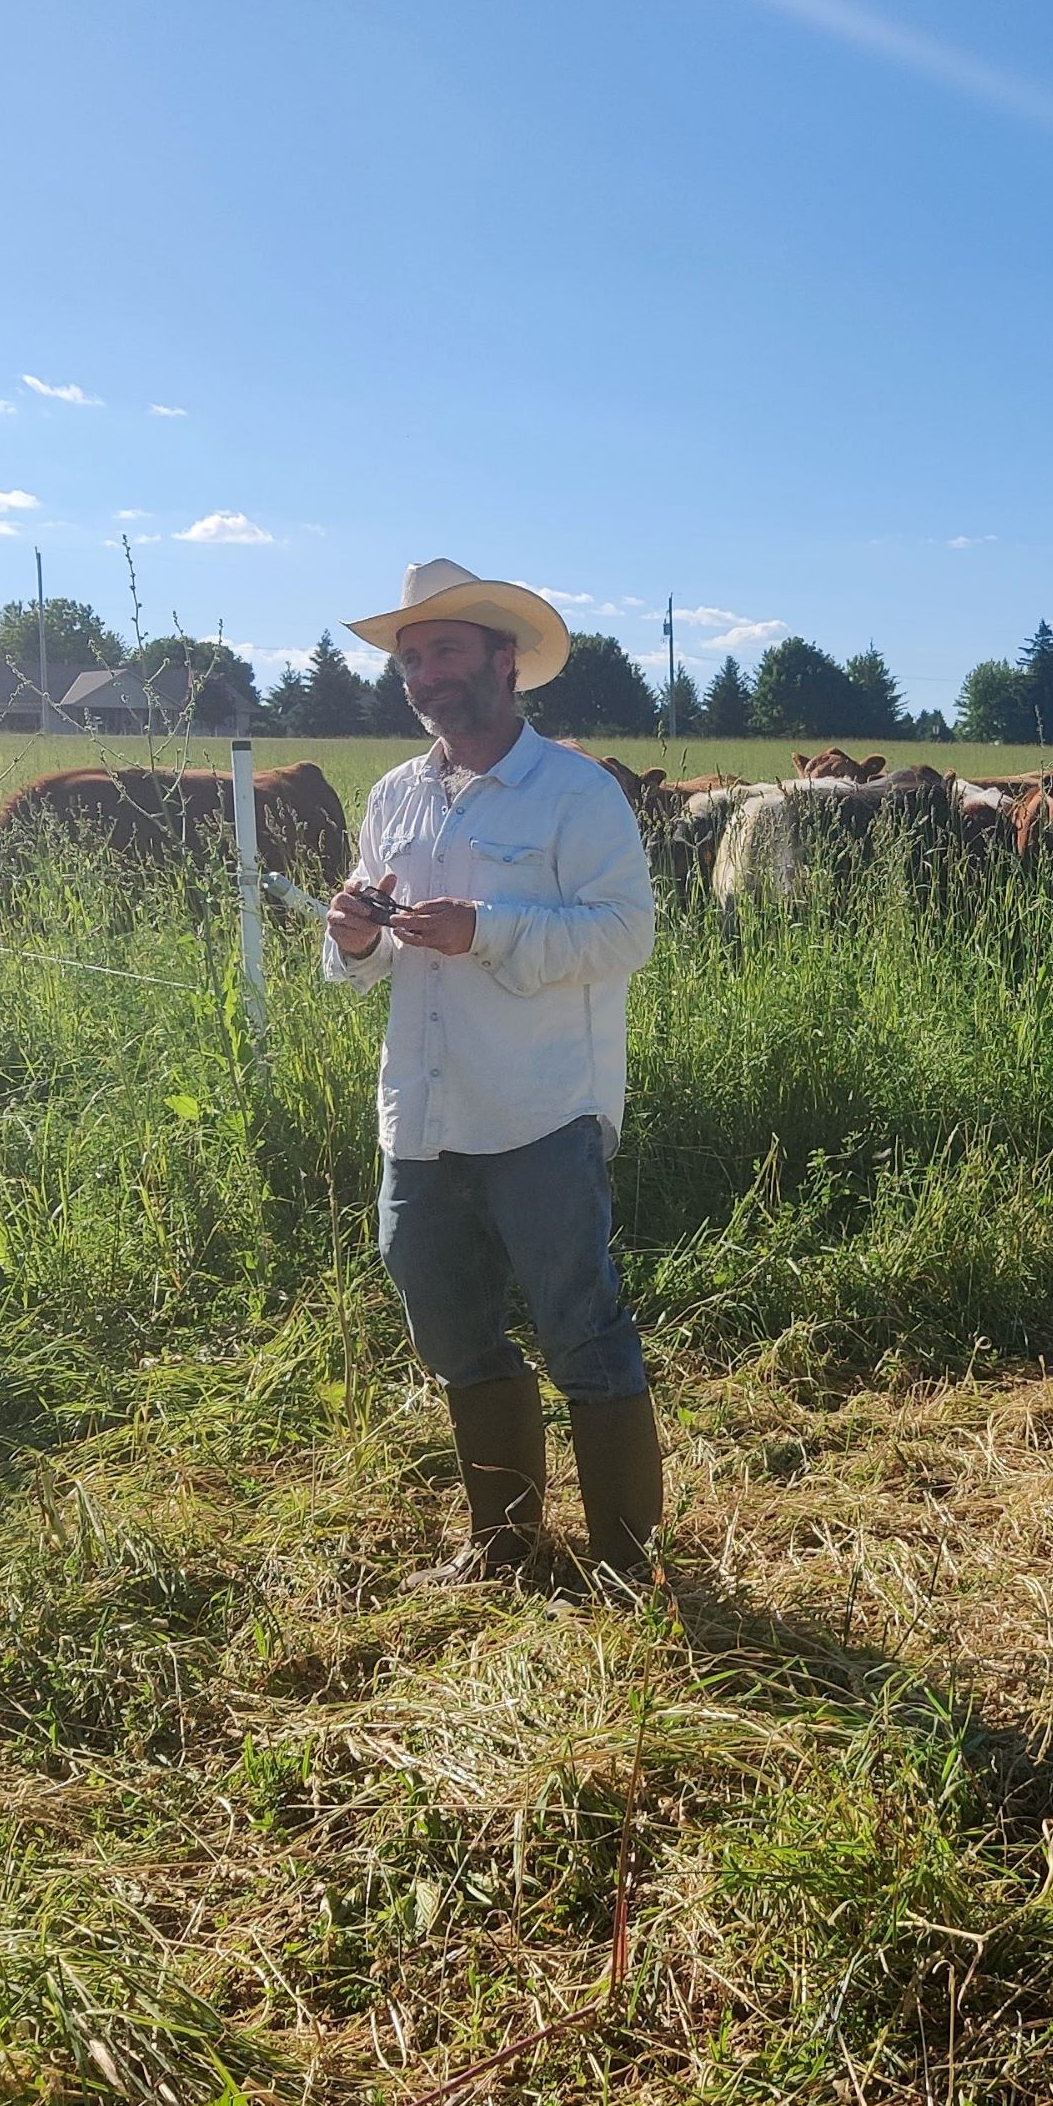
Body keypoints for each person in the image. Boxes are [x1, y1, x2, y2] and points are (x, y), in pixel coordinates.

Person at [324, 558, 662, 1588]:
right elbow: (365, 959)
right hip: (419, 1114)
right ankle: (503, 1544)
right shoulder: (394, 796)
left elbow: (624, 935)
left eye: (446, 652)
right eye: (411, 657)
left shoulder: (575, 792)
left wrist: (489, 930)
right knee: (449, 1329)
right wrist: (349, 938)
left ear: (503, 662)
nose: (425, 673)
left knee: (579, 1327)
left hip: (538, 1108)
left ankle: (622, 1564)